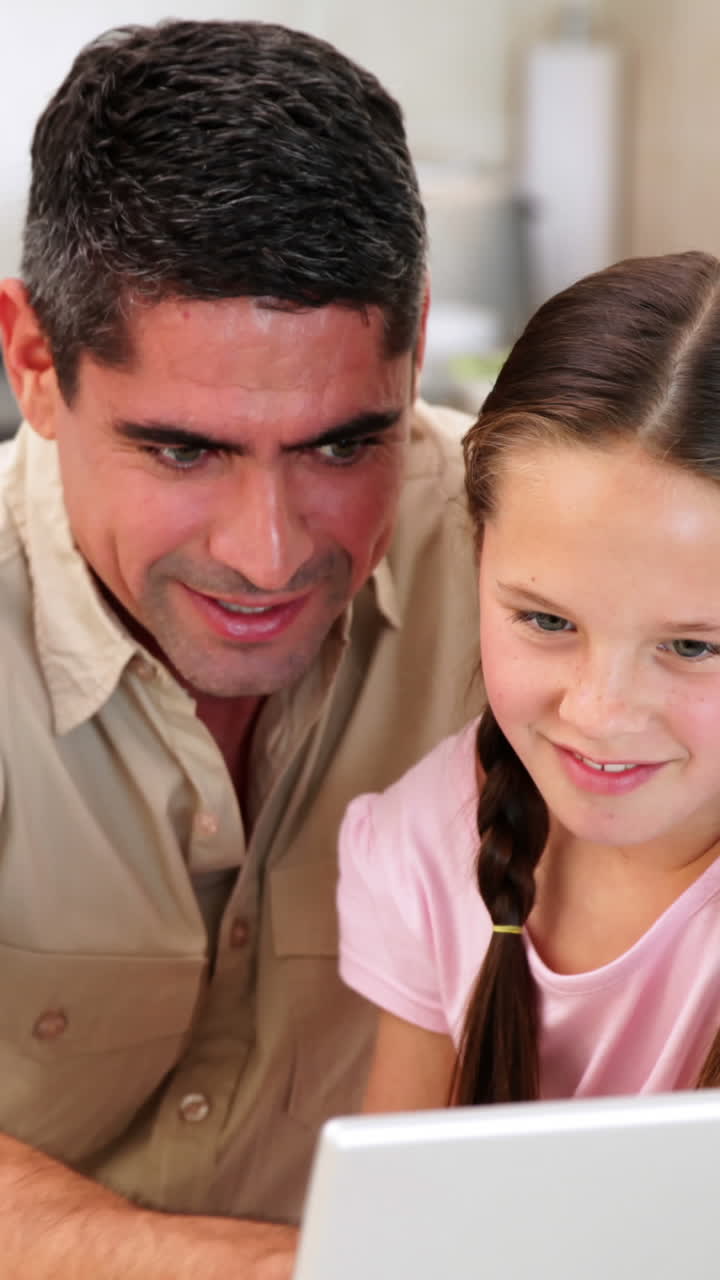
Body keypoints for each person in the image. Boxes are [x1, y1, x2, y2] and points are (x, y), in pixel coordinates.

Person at [0, 18, 480, 1279]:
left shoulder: (535, 575)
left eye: (340, 445)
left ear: (415, 344)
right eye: (183, 449)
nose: (270, 557)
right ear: (35, 361)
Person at [338, 249, 720, 1119]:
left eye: (694, 646)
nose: (600, 712)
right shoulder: (428, 847)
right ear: (479, 555)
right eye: (547, 622)